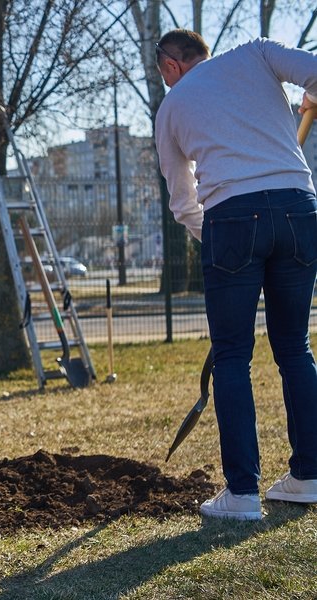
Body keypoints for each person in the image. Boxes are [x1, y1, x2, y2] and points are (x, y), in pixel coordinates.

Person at [154, 29, 317, 520]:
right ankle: (309, 476)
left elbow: (183, 202)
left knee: (231, 356)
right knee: (294, 347)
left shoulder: (172, 107)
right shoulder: (258, 52)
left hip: (229, 214)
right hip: (298, 209)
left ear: (169, 65)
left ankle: (243, 494)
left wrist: (222, 240)